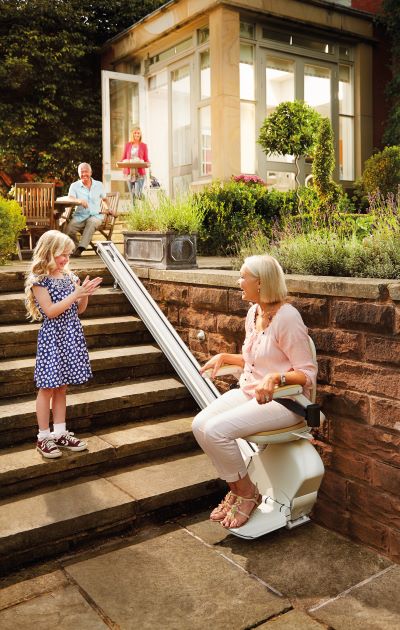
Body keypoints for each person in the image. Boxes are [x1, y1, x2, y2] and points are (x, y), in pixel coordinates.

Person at [192, 255, 317, 529]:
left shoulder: (288, 318)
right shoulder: (254, 312)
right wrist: (227, 356)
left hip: (287, 402)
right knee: (200, 424)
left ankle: (246, 494)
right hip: (251, 392)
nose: (239, 282)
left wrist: (276, 378)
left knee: (216, 431)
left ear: (260, 283)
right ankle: (239, 488)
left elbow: (307, 374)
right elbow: (255, 360)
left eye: (243, 276)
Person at [24, 230, 103, 459]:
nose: (66, 259)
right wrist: (74, 294)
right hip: (53, 339)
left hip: (70, 336)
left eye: (68, 254)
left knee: (62, 387)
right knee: (47, 387)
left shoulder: (69, 277)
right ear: (49, 253)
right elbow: (50, 311)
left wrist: (83, 294)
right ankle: (43, 437)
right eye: (63, 255)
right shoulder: (39, 281)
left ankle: (60, 432)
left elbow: (79, 310)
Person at [65, 162, 112, 257]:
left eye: (86, 172)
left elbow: (104, 199)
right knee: (69, 230)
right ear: (78, 174)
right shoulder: (74, 186)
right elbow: (70, 198)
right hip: (80, 216)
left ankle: (81, 248)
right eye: (81, 172)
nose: (84, 174)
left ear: (90, 173)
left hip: (96, 215)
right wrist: (79, 201)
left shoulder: (99, 185)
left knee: (91, 222)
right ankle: (76, 247)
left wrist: (109, 209)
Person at [121, 127, 150, 204]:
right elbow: (123, 157)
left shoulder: (144, 145)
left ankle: (147, 205)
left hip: (140, 173)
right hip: (129, 173)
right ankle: (134, 213)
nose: (137, 134)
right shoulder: (128, 145)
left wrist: (148, 163)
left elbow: (146, 159)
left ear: (140, 134)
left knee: (138, 193)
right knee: (132, 195)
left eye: (138, 133)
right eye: (135, 133)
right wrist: (120, 163)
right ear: (132, 134)